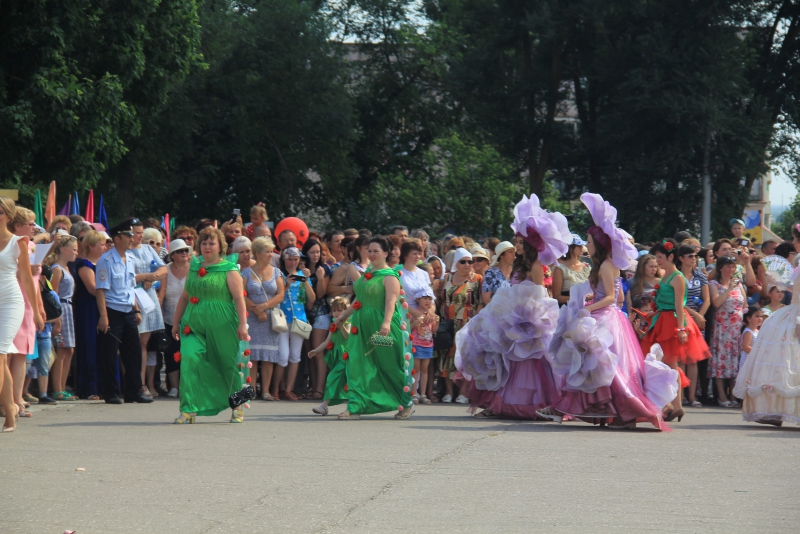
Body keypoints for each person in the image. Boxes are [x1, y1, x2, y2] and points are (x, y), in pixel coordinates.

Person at [546, 193, 670, 430]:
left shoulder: (604, 264)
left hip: (606, 317)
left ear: (598, 244)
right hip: (613, 317)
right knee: (607, 366)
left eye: (589, 242)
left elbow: (613, 298)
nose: (586, 245)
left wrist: (586, 308)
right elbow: (620, 296)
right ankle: (614, 413)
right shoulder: (608, 265)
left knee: (606, 367)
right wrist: (598, 298)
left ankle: (620, 411)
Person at [459, 194, 568, 420]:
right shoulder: (519, 265)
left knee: (530, 363)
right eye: (516, 241)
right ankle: (500, 403)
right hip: (513, 318)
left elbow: (540, 296)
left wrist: (527, 315)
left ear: (529, 243)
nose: (516, 245)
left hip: (530, 321)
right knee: (505, 360)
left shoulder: (536, 265)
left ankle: (533, 405)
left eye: (519, 242)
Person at [170, 227, 249, 424]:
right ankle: (188, 409)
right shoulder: (194, 268)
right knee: (189, 359)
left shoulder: (229, 269)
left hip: (222, 323)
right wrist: (175, 322)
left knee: (227, 365)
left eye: (211, 243)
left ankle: (237, 407)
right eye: (204, 243)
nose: (207, 246)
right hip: (193, 323)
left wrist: (243, 325)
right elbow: (185, 296)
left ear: (220, 246)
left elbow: (239, 299)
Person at [331, 236, 415, 420]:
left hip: (381, 325)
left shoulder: (389, 276)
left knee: (389, 366)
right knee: (358, 365)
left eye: (376, 251)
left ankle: (405, 402)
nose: (372, 254)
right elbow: (360, 300)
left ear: (386, 253)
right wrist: (344, 316)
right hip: (361, 325)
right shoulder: (368, 273)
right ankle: (356, 406)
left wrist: (385, 322)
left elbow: (391, 301)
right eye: (369, 251)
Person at [733, 225, 800, 427]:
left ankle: (779, 412)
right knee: (783, 364)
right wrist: (777, 282)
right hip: (792, 311)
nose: (794, 244)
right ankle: (775, 412)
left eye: (796, 240)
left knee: (789, 363)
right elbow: (795, 289)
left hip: (796, 314)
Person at [640, 239, 711, 422]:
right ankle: (672, 404)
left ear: (671, 256)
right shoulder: (665, 275)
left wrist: (681, 328)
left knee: (670, 365)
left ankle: (675, 405)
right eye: (656, 257)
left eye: (660, 257)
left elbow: (681, 306)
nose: (657, 260)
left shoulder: (677, 277)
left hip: (671, 323)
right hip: (661, 320)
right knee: (664, 365)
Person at [95, 222, 153, 404]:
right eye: (128, 236)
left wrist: (135, 308)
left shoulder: (130, 259)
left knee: (133, 353)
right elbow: (101, 290)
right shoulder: (106, 260)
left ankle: (133, 391)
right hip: (112, 311)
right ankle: (110, 392)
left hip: (128, 310)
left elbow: (130, 287)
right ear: (118, 238)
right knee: (110, 354)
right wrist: (104, 316)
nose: (131, 239)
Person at [0, 198, 43, 432]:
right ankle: (10, 409)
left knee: (0, 353)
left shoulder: (19, 242)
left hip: (11, 302)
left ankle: (10, 408)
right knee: (2, 361)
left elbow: (27, 278)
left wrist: (36, 311)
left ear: (7, 215)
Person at [8, 206, 46, 418]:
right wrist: (23, 271)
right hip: (13, 301)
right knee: (9, 353)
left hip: (29, 304)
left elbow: (35, 281)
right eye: (30, 224)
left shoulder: (31, 246)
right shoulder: (10, 245)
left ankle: (17, 397)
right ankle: (8, 400)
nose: (34, 227)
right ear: (17, 225)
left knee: (22, 353)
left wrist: (39, 306)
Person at [241, 237, 285, 401]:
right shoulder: (246, 272)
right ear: (257, 253)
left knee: (268, 356)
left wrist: (263, 307)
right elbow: (241, 294)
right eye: (267, 251)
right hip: (252, 317)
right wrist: (255, 309)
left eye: (271, 251)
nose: (270, 254)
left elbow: (280, 295)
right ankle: (251, 389)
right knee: (252, 355)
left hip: (270, 318)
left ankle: (266, 390)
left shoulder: (276, 272)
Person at [438, 247, 483, 404]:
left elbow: (480, 302)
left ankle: (463, 392)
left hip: (467, 324)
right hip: (448, 324)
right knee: (448, 357)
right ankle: (449, 392)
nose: (467, 264)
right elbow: (439, 298)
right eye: (463, 261)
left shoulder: (477, 279)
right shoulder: (446, 279)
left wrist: (476, 321)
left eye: (470, 261)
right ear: (456, 263)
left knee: (465, 358)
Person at [128, 219, 167, 397]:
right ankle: (131, 382)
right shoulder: (124, 251)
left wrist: (152, 277)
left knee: (143, 343)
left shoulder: (148, 248)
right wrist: (145, 276)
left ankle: (142, 383)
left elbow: (163, 269)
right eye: (137, 232)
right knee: (130, 344)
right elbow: (126, 276)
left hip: (147, 297)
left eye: (141, 232)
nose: (140, 236)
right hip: (132, 297)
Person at [708, 255, 746, 408]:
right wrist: (729, 287)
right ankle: (721, 395)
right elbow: (716, 302)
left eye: (733, 266)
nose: (731, 269)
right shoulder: (714, 284)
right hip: (721, 328)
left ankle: (733, 394)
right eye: (728, 266)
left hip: (736, 328)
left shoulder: (739, 284)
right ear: (721, 268)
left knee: (734, 361)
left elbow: (744, 302)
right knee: (721, 361)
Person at [278, 247, 315, 400]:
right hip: (281, 319)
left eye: (296, 259)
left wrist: (306, 282)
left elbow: (312, 300)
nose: (293, 262)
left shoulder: (302, 276)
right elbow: (277, 296)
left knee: (295, 356)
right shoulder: (278, 274)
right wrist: (286, 284)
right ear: (284, 260)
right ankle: (277, 388)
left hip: (299, 318)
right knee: (282, 356)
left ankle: (289, 390)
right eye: (290, 259)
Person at [46, 235, 79, 401]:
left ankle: (62, 387)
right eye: (74, 249)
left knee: (69, 350)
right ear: (64, 249)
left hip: (68, 307)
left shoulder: (66, 269)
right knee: (62, 349)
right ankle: (57, 389)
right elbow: (54, 295)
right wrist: (57, 318)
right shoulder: (57, 269)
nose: (76, 253)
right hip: (62, 309)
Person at [73, 230, 106, 400]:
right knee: (89, 345)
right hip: (88, 308)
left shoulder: (103, 262)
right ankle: (89, 387)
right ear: (91, 246)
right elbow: (93, 288)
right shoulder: (84, 264)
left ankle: (104, 385)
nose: (105, 246)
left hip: (102, 306)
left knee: (103, 346)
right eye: (101, 244)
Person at [157, 239, 192, 397]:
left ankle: (187, 386)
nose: (184, 253)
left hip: (191, 319)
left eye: (186, 250)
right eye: (180, 251)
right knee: (171, 353)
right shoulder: (166, 270)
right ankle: (174, 387)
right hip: (169, 319)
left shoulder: (194, 270)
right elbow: (162, 294)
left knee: (190, 353)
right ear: (172, 255)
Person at [678, 244, 710, 407]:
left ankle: (692, 397)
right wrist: (694, 315)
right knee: (680, 359)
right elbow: (678, 302)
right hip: (680, 318)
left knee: (693, 360)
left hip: (697, 322)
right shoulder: (676, 276)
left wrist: (700, 317)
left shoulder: (700, 276)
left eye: (695, 256)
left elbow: (707, 299)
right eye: (690, 256)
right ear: (681, 258)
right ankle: (680, 396)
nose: (693, 259)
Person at [308, 296, 351, 415]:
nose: (336, 313)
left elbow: (348, 337)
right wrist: (316, 350)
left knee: (338, 379)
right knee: (336, 379)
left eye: (340, 310)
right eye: (334, 311)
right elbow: (327, 342)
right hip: (337, 357)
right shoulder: (333, 325)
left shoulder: (348, 323)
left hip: (346, 356)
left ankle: (325, 405)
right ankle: (325, 406)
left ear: (346, 311)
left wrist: (341, 326)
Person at [302, 238, 332, 400]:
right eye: (312, 252)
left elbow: (321, 294)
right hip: (305, 314)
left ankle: (320, 389)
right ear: (306, 253)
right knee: (310, 353)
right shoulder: (303, 268)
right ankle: (312, 387)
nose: (315, 255)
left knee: (318, 352)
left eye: (317, 252)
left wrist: (320, 278)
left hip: (321, 313)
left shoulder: (324, 269)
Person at [410, 285, 438, 404]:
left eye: (429, 298)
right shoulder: (413, 313)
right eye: (424, 298)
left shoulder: (431, 314)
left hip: (428, 344)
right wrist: (414, 324)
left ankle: (423, 394)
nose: (427, 301)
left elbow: (434, 331)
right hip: (416, 344)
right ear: (418, 299)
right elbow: (407, 328)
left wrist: (436, 321)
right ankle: (414, 393)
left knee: (425, 369)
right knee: (415, 369)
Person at [552, 235, 591, 307]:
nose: (582, 247)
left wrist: (590, 296)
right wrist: (578, 299)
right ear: (570, 248)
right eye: (579, 245)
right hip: (568, 309)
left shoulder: (586, 267)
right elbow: (556, 296)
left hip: (587, 308)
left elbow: (595, 289)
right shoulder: (560, 269)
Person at [398, 239, 429, 314]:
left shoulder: (424, 273)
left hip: (424, 314)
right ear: (405, 255)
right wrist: (416, 313)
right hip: (405, 314)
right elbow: (398, 299)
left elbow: (430, 296)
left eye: (419, 253)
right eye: (414, 254)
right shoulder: (397, 273)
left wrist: (430, 312)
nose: (417, 256)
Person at [481, 241, 514, 305]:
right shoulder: (490, 273)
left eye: (514, 252)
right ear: (501, 255)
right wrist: (503, 308)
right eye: (510, 252)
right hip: (496, 311)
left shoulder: (517, 272)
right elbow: (486, 298)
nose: (514, 255)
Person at [739, 305, 762, 370]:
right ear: (749, 319)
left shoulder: (757, 331)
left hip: (755, 358)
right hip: (748, 359)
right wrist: (759, 351)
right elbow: (746, 347)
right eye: (757, 316)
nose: (760, 318)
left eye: (761, 316)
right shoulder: (748, 332)